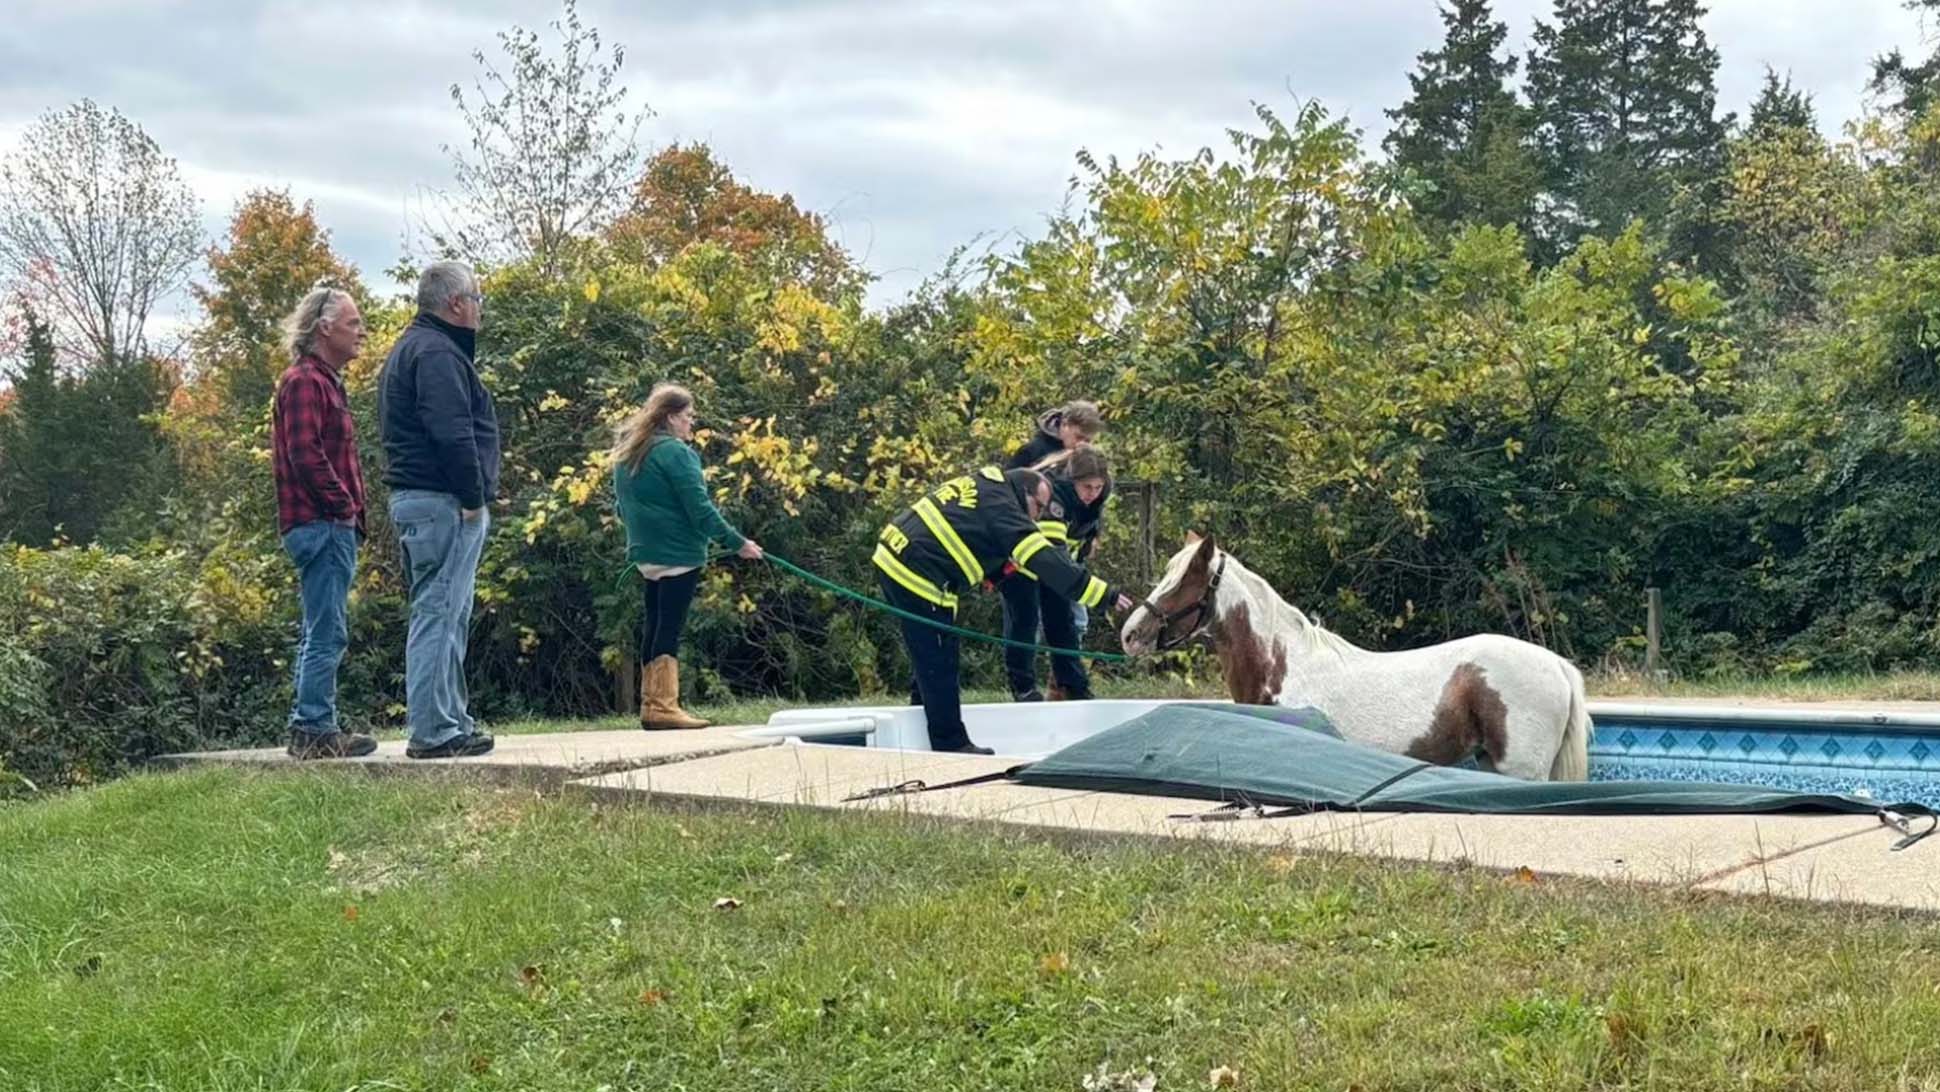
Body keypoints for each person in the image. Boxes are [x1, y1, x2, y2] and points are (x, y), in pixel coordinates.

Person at [873, 465, 1134, 753]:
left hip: (898, 553)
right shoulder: (1006, 510)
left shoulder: (989, 486)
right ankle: (951, 744)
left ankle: (918, 716)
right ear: (1025, 494)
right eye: (1039, 507)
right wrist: (1104, 594)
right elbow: (1046, 562)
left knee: (930, 653)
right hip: (916, 570)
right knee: (940, 656)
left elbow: (971, 530)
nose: (1038, 517)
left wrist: (996, 573)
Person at [376, 260, 500, 759]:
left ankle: (450, 721)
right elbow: (452, 432)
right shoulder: (436, 354)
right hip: (441, 502)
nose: (478, 309)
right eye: (476, 300)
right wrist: (473, 498)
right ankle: (432, 730)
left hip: (425, 501)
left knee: (450, 612)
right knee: (439, 612)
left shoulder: (418, 348)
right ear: (455, 304)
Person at [612, 383, 763, 729]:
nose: (691, 424)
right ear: (670, 417)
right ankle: (663, 706)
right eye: (688, 417)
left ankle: (652, 704)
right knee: (670, 625)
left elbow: (621, 506)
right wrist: (738, 542)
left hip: (645, 553)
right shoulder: (676, 454)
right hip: (678, 551)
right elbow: (700, 510)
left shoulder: (629, 452)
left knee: (654, 622)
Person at [271, 285, 376, 759]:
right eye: (353, 323)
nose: (361, 332)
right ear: (324, 327)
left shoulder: (323, 380)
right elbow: (305, 453)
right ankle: (313, 727)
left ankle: (311, 725)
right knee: (327, 629)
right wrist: (343, 507)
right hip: (320, 524)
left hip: (325, 523)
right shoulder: (305, 382)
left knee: (321, 625)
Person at [1000, 444, 1113, 702]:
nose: (1092, 494)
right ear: (1073, 480)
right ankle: (1024, 688)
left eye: (1097, 487)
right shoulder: (1053, 496)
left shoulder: (1099, 495)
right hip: (1022, 563)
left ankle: (1072, 684)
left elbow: (1082, 533)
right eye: (1086, 487)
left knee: (1063, 623)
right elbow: (1053, 556)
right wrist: (1095, 590)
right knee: (1024, 622)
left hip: (1058, 564)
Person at [1005, 399, 1104, 470]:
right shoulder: (1033, 450)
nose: (1082, 444)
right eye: (1078, 437)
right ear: (1065, 424)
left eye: (1088, 441)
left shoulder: (1086, 458)